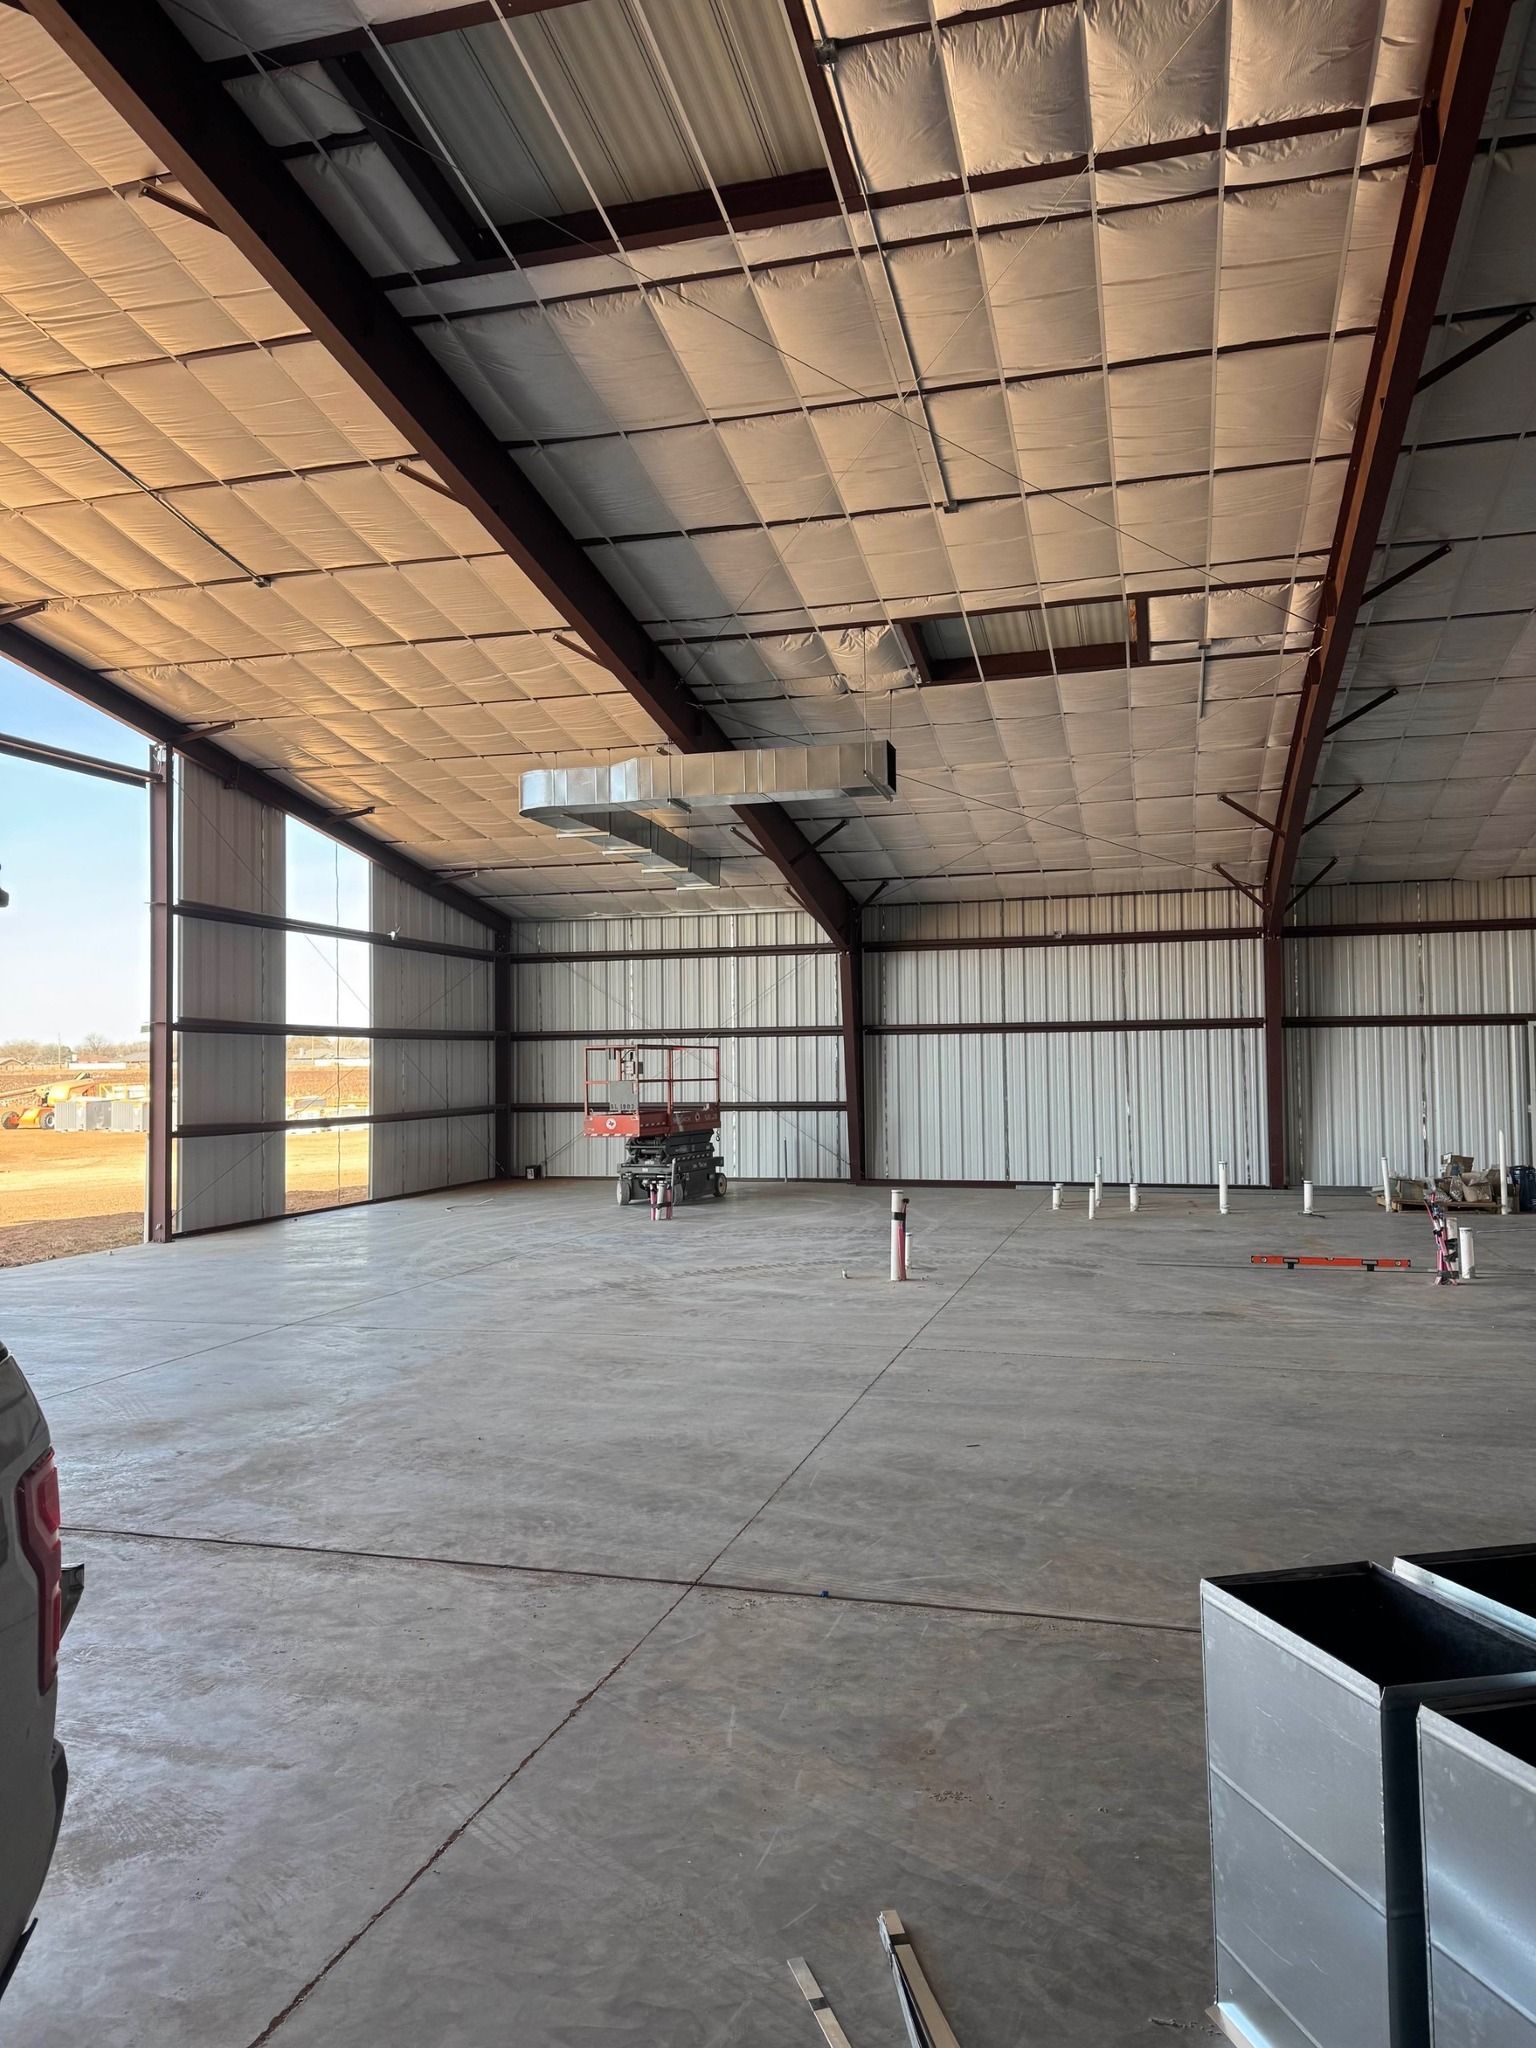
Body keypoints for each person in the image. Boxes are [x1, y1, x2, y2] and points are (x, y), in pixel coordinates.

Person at [1425, 1189, 1460, 1286]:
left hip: (1443, 1234)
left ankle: (1449, 1275)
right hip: (1441, 1233)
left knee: (1444, 1246)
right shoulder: (1437, 1218)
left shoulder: (1439, 1218)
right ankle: (1446, 1274)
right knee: (1441, 1247)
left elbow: (1437, 1219)